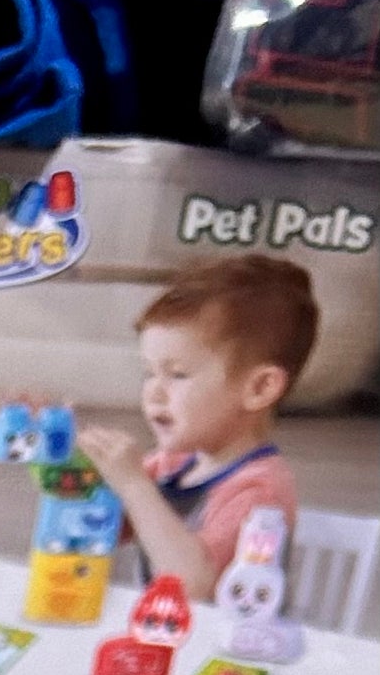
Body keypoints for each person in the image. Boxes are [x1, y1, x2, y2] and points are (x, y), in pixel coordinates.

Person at [79, 253, 317, 602]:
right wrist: (55, 450)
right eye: (149, 373)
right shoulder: (173, 464)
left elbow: (193, 586)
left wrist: (133, 485)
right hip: (163, 629)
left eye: (177, 375)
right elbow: (92, 529)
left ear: (259, 388)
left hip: (221, 638)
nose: (154, 392)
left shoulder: (260, 491)